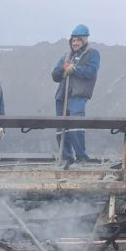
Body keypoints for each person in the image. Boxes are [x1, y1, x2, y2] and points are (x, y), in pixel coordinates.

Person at [51, 25, 100, 169]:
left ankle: (81, 158)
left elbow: (91, 72)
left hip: (77, 95)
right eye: (73, 40)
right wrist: (63, 68)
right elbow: (55, 75)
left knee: (75, 126)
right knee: (61, 128)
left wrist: (74, 69)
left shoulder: (92, 54)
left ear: (84, 40)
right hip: (62, 96)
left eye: (78, 40)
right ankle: (67, 158)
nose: (75, 43)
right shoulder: (66, 56)